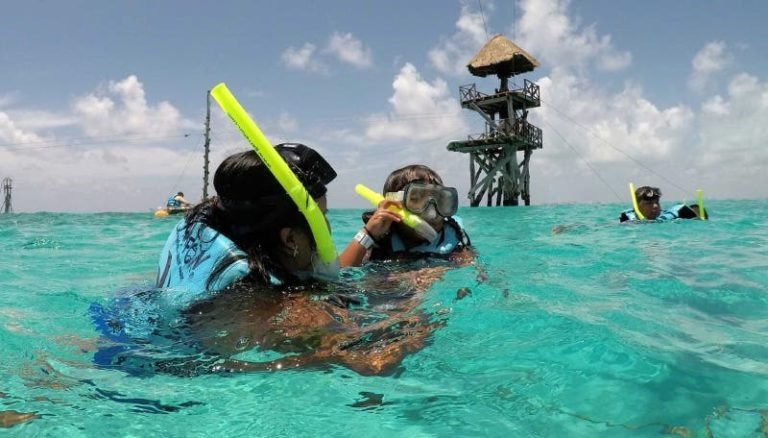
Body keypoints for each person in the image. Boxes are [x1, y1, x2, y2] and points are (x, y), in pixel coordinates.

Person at [93, 144, 437, 376]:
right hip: (156, 387)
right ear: (288, 239)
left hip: (120, 323)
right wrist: (420, 310)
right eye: (324, 217)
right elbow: (373, 365)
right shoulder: (283, 308)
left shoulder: (213, 228)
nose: (329, 228)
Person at [340, 164, 472, 267]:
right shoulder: (382, 239)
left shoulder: (454, 233)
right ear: (394, 205)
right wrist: (368, 234)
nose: (432, 213)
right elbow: (340, 274)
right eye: (416, 200)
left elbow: (472, 269)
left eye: (440, 200)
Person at [619, 186, 700, 222]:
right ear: (636, 206)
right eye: (649, 203)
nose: (655, 206)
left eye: (657, 202)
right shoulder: (628, 221)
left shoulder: (668, 217)